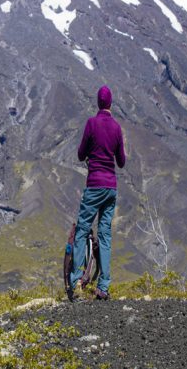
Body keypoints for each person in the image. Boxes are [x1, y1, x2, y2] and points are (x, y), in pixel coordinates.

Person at [68, 85, 126, 301]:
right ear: (110, 103)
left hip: (94, 185)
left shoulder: (91, 124)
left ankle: (75, 282)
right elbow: (121, 162)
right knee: (105, 234)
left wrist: (91, 152)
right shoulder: (117, 127)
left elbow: (81, 153)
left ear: (98, 103)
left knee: (82, 230)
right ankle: (103, 286)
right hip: (111, 187)